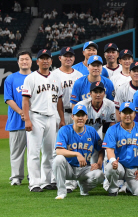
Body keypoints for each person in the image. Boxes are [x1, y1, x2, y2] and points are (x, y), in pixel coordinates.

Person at [22, 49, 65, 192]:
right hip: (36, 116)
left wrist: (62, 118)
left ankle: (46, 181)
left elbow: (59, 100)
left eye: (47, 58)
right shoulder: (31, 78)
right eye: (42, 58)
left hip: (52, 117)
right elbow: (25, 100)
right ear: (37, 61)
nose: (45, 61)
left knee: (49, 151)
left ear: (51, 61)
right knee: (34, 152)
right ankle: (34, 183)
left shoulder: (56, 78)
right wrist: (27, 119)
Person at [52, 104, 105, 199]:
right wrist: (76, 154)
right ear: (72, 117)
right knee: (58, 159)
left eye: (82, 115)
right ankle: (61, 192)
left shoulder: (91, 131)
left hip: (84, 169)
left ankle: (84, 187)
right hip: (68, 168)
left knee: (100, 175)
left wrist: (99, 163)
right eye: (77, 115)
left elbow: (101, 149)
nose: (80, 118)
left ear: (86, 117)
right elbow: (59, 151)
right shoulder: (64, 130)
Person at [102, 102, 138, 196]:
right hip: (119, 166)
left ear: (135, 114)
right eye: (125, 112)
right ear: (120, 114)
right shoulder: (112, 129)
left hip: (134, 169)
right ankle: (113, 189)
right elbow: (109, 150)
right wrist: (113, 161)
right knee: (110, 167)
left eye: (130, 112)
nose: (127, 115)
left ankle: (129, 186)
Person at [6, 51, 31, 186]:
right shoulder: (11, 78)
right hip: (16, 121)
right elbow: (8, 98)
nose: (24, 61)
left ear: (31, 61)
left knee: (34, 152)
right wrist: (22, 112)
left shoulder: (36, 77)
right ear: (18, 62)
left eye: (26, 59)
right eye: (22, 59)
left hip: (34, 120)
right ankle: (16, 177)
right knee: (16, 152)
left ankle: (33, 176)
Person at [52, 47, 83, 125]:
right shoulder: (53, 75)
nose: (68, 58)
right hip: (59, 113)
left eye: (71, 56)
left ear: (74, 58)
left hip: (77, 112)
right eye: (66, 56)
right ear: (60, 58)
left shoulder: (79, 75)